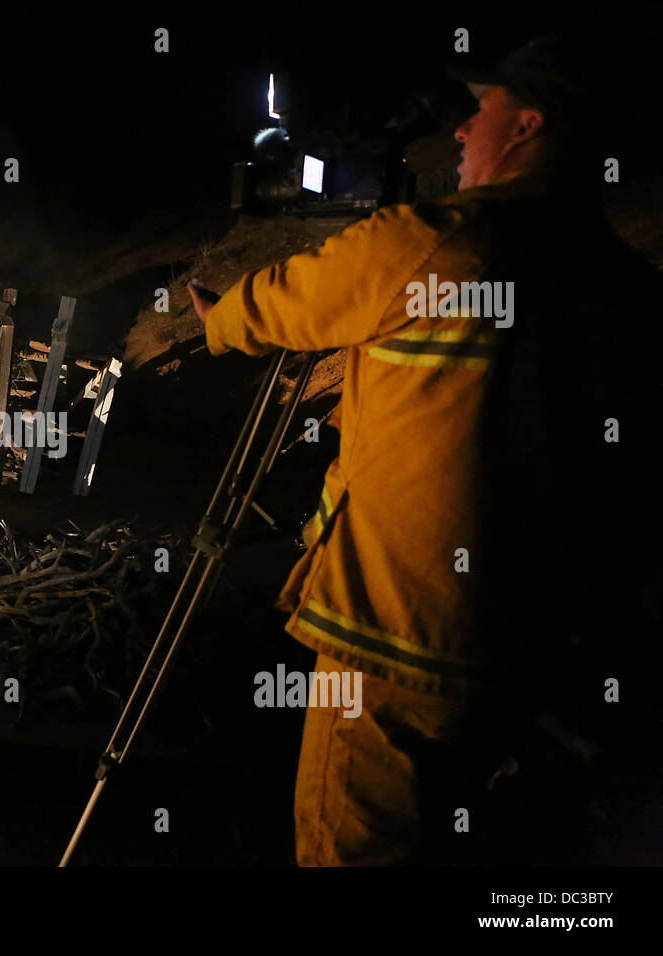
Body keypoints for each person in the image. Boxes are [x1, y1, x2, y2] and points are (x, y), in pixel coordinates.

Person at [188, 37, 659, 864]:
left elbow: (290, 303)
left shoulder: (438, 240)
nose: (463, 134)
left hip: (395, 644)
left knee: (352, 844)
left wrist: (218, 317)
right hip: (530, 652)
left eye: (482, 113)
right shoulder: (622, 280)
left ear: (530, 126)